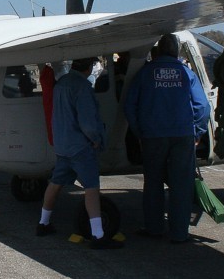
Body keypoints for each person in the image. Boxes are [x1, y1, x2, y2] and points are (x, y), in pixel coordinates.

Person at [123, 34, 211, 243]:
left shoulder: (145, 73)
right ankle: (180, 233)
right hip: (182, 135)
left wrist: (139, 132)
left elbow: (129, 105)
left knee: (153, 183)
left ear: (159, 51)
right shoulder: (186, 73)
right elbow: (203, 107)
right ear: (176, 51)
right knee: (181, 184)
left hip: (152, 136)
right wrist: (197, 131)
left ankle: (154, 228)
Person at [37, 58, 122, 249]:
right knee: (91, 188)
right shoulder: (82, 87)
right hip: (80, 147)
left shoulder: (62, 84)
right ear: (89, 67)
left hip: (62, 146)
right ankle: (98, 235)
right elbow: (87, 121)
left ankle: (43, 223)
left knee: (55, 183)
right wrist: (96, 139)